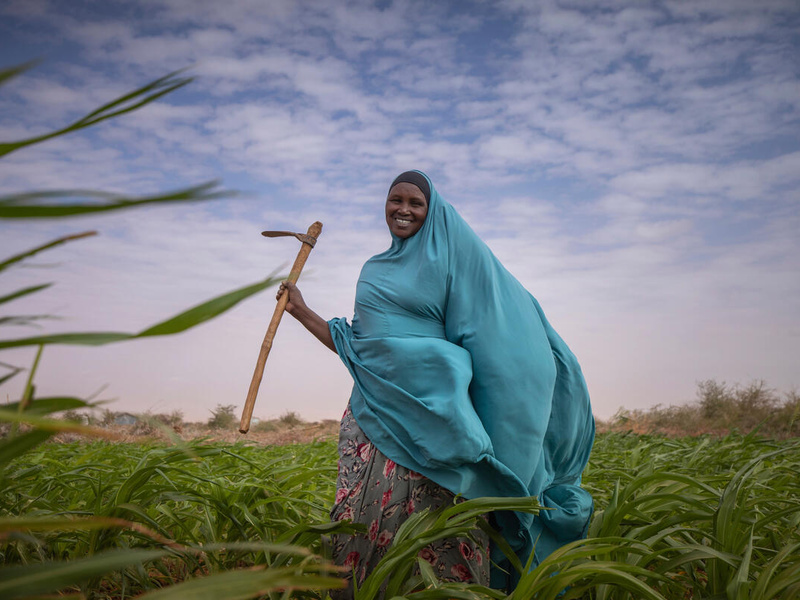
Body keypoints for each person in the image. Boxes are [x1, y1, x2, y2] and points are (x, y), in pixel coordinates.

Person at [277, 170, 595, 594]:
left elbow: (493, 335)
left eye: (415, 202)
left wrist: (437, 362)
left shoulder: (453, 265)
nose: (403, 209)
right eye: (396, 200)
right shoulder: (373, 269)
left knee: (438, 525)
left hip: (434, 421)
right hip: (373, 415)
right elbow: (361, 347)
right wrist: (301, 312)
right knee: (363, 515)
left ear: (432, 212)